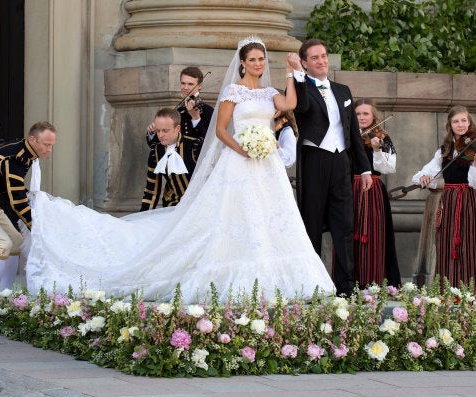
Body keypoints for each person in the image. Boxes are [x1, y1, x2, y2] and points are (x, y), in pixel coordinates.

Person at [23, 36, 335, 303]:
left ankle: (273, 276)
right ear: (241, 63)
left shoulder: (269, 93)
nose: (259, 63)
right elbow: (222, 131)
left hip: (266, 165)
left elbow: (290, 105)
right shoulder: (232, 92)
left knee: (271, 217)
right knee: (236, 216)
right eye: (253, 59)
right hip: (239, 161)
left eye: (262, 59)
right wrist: (243, 149)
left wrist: (292, 73)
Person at [292, 38, 373, 297]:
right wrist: (297, 76)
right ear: (305, 62)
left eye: (323, 56)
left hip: (342, 162)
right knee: (312, 223)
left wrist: (365, 169)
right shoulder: (300, 88)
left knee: (344, 224)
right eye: (314, 58)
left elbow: (353, 133)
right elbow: (301, 108)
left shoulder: (342, 90)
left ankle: (346, 286)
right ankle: (313, 283)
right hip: (315, 159)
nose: (321, 61)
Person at [0, 121, 56, 316]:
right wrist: (36, 228)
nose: (49, 149)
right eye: (46, 144)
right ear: (33, 139)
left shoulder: (26, 155)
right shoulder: (17, 158)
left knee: (16, 243)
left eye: (51, 145)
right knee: (3, 245)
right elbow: (17, 202)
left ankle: (5, 298)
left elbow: (13, 189)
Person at [412, 106, 476, 291]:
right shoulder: (444, 150)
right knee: (446, 246)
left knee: (470, 248)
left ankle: (471, 293)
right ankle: (446, 291)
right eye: (456, 121)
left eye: (464, 121)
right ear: (450, 125)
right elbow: (422, 174)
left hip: (470, 203)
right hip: (449, 203)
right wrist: (425, 178)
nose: (460, 125)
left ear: (469, 122)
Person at [351, 98, 401, 288]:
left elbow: (389, 168)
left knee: (374, 236)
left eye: (366, 114)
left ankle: (374, 282)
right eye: (357, 114)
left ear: (374, 117)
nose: (361, 117)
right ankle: (348, 283)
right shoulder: (345, 134)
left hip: (372, 190)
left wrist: (377, 149)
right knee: (348, 235)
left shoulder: (382, 137)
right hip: (349, 190)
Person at [145, 66, 214, 202]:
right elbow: (156, 146)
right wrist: (153, 132)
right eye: (183, 83)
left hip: (196, 169)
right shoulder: (177, 110)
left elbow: (209, 141)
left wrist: (196, 118)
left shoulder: (206, 110)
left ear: (199, 86)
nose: (186, 87)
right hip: (176, 174)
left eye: (190, 84)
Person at [140, 108, 188, 211]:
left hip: (197, 207)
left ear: (177, 128)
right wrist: (142, 217)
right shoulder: (156, 152)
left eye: (165, 131)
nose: (160, 135)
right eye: (158, 130)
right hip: (171, 207)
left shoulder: (195, 147)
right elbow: (151, 191)